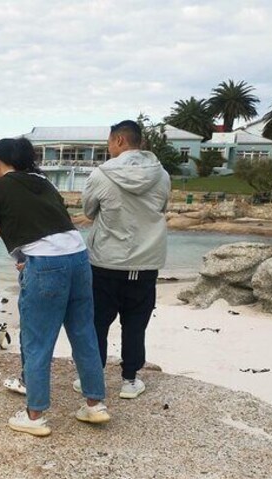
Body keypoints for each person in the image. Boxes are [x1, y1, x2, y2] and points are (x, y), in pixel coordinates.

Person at [0, 137, 109, 437]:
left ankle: (35, 414)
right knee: (83, 332)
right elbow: (45, 223)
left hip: (46, 265)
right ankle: (95, 404)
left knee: (37, 339)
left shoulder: (2, 184)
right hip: (79, 259)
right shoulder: (43, 182)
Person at [80, 120, 170, 399]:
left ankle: (93, 379)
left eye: (109, 142)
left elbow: (89, 210)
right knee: (135, 324)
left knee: (97, 323)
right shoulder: (162, 175)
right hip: (145, 265)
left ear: (119, 140)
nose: (108, 148)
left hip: (106, 263)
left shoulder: (101, 175)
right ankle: (130, 380)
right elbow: (162, 207)